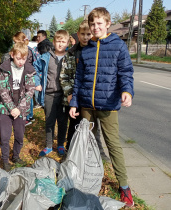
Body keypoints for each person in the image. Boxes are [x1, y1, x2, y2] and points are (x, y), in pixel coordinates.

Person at [69, 7, 134, 207]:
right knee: (83, 142)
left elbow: (126, 72)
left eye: (99, 24)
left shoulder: (118, 46)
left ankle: (124, 187)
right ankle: (79, 178)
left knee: (113, 145)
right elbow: (79, 78)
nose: (95, 27)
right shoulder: (87, 48)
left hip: (108, 105)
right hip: (87, 105)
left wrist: (127, 91)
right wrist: (74, 102)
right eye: (92, 24)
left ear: (107, 24)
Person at [60, 20, 110, 162]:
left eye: (88, 34)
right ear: (78, 34)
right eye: (83, 34)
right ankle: (70, 152)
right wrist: (70, 93)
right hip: (75, 98)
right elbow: (64, 76)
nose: (86, 37)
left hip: (90, 97)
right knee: (74, 126)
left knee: (94, 127)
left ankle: (98, 152)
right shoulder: (71, 53)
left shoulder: (96, 50)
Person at [0, 42, 36, 171]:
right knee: (4, 136)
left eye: (24, 59)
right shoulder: (4, 69)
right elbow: (2, 90)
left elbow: (30, 91)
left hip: (21, 109)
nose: (21, 62)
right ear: (12, 55)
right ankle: (4, 160)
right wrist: (11, 108)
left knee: (19, 136)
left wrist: (19, 109)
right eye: (18, 58)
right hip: (5, 108)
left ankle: (15, 156)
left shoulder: (29, 70)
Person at [34, 30, 70, 157]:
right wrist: (37, 82)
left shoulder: (69, 57)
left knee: (62, 121)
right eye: (58, 41)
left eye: (63, 42)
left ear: (67, 43)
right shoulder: (46, 57)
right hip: (49, 94)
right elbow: (35, 69)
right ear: (54, 42)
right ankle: (49, 145)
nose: (60, 44)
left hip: (64, 95)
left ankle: (60, 144)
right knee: (49, 121)